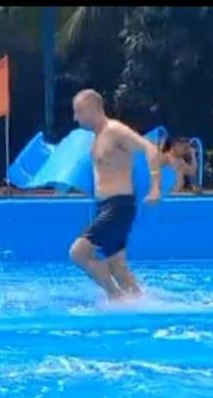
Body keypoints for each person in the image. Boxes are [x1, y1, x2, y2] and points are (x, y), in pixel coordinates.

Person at [68, 89, 162, 301]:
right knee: (116, 265)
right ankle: (141, 303)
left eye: (79, 111)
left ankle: (115, 296)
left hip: (118, 206)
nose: (75, 118)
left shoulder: (115, 130)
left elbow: (150, 149)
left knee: (78, 253)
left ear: (93, 108)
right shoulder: (97, 137)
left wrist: (155, 187)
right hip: (107, 206)